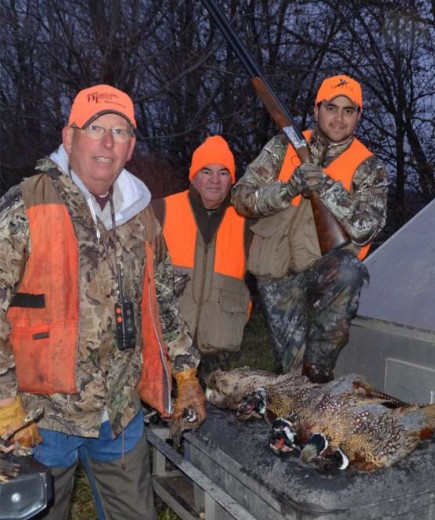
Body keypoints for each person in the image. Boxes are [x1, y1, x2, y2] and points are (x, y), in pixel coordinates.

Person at [0, 84, 207, 520]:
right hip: (42, 415)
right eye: (95, 128)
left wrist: (186, 370)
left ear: (130, 148)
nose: (107, 142)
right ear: (69, 137)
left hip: (120, 411)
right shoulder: (28, 205)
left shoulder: (141, 214)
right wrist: (3, 402)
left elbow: (162, 298)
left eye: (119, 131)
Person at [232, 74, 388, 384]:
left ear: (359, 115)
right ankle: (302, 391)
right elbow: (241, 197)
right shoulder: (283, 145)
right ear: (316, 110)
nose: (339, 118)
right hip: (278, 277)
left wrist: (327, 188)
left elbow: (367, 226)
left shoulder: (369, 166)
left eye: (348, 110)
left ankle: (319, 372)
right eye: (331, 108)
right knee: (291, 374)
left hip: (325, 270)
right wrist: (287, 189)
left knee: (349, 270)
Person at [153, 135, 252, 377]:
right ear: (193, 176)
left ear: (232, 180)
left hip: (219, 358)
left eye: (223, 172)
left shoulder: (248, 222)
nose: (215, 180)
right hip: (163, 353)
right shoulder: (160, 210)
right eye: (206, 171)